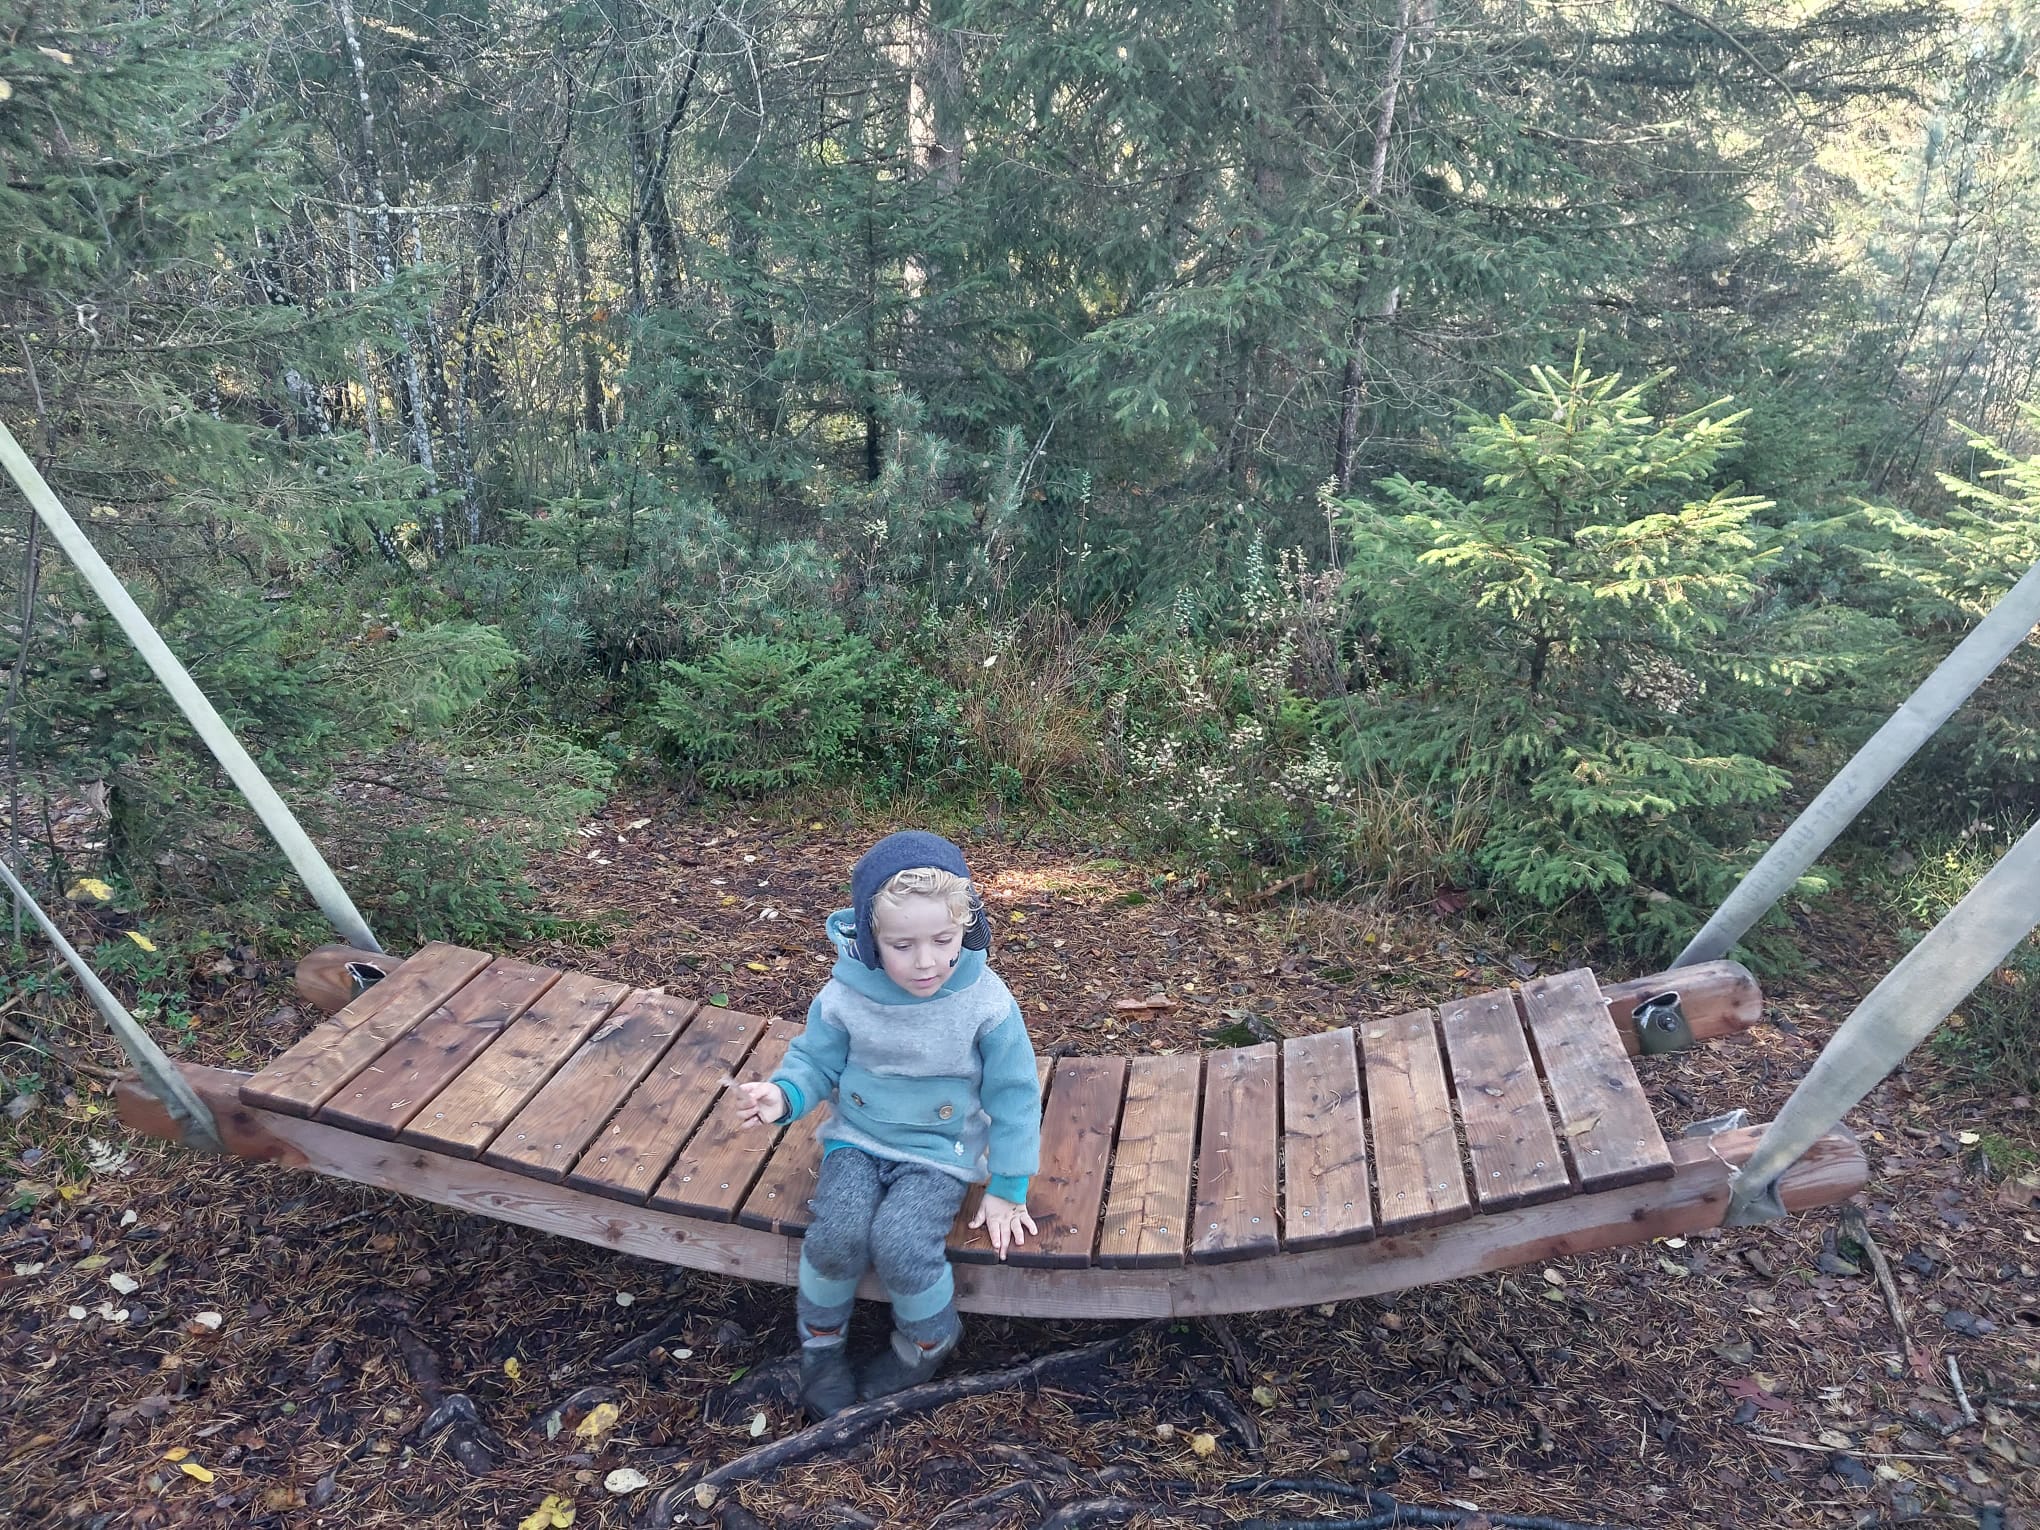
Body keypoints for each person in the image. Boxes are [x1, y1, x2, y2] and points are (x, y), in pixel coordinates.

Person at [737, 830, 1042, 1418]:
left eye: (943, 941)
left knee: (901, 1242)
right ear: (871, 939)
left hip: (940, 1149)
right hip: (858, 1137)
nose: (926, 962)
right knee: (837, 1233)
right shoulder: (845, 994)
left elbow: (1015, 1095)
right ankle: (820, 1344)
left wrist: (1008, 1185)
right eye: (902, 945)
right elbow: (815, 1060)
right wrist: (784, 1094)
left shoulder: (985, 1000)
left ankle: (927, 1339)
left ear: (966, 928)